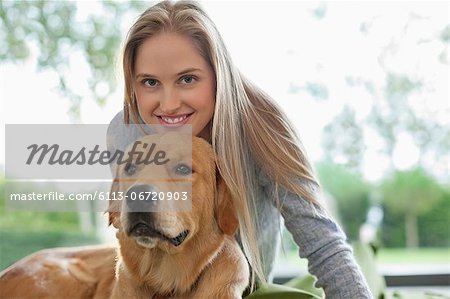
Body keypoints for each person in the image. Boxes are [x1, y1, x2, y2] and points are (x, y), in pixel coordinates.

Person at [107, 1, 373, 298]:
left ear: (218, 74)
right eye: (150, 82)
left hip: (242, 287)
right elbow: (132, 229)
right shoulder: (125, 131)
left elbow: (323, 244)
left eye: (187, 79)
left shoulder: (264, 128)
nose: (168, 104)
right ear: (133, 84)